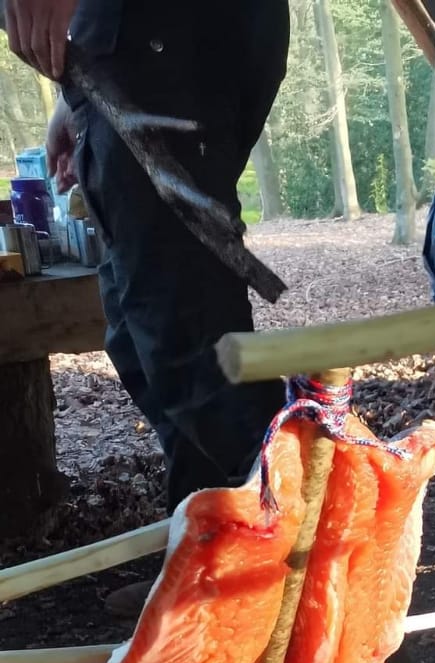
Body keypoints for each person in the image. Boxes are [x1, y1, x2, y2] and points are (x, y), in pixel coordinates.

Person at [6, 0, 291, 510]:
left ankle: (302, 556)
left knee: (189, 340)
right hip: (121, 46)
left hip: (158, 38)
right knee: (142, 339)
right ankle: (208, 555)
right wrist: (74, 95)